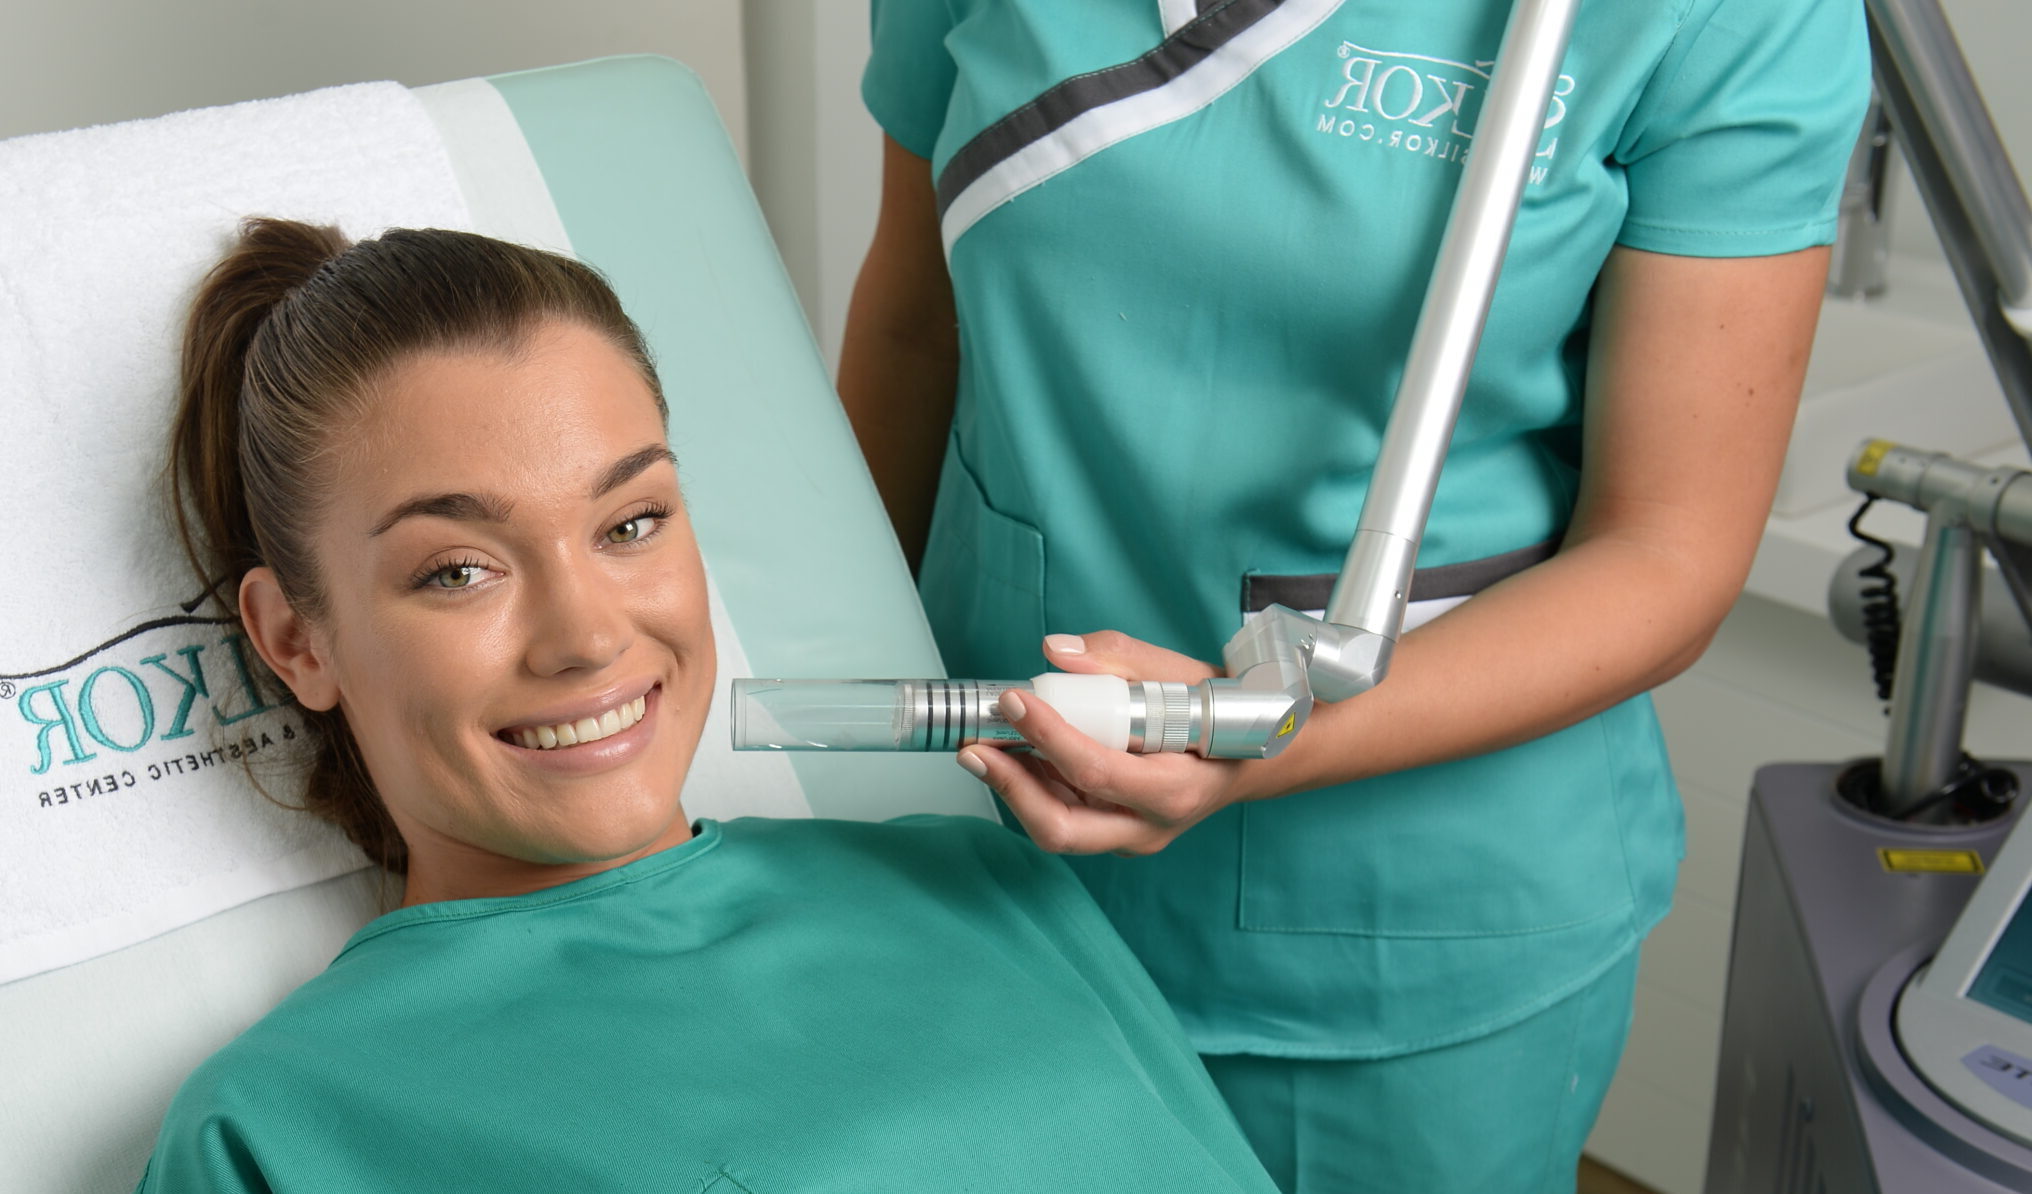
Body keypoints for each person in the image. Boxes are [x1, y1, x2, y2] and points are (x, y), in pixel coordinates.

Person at [840, 2, 1872, 1190]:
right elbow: (914, 325)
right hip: (983, 828)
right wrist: (821, 713)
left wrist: (1256, 737)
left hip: (1402, 927)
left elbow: (1667, 552)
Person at [135, 217, 1283, 1193]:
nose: (588, 637)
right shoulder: (276, 1130)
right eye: (458, 570)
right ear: (295, 640)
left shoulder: (979, 883)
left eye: (630, 523)